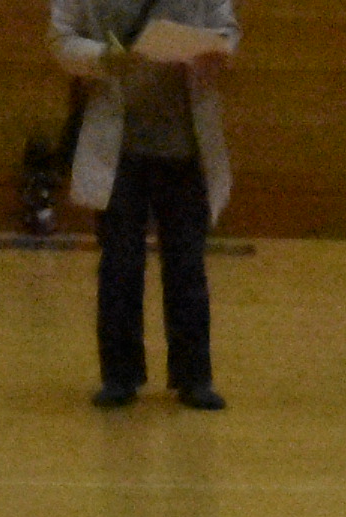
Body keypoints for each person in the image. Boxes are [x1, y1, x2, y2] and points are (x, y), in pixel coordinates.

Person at [52, 0, 234, 410]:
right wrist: (102, 57)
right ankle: (120, 376)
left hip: (186, 147)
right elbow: (61, 39)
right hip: (118, 149)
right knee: (120, 264)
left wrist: (215, 53)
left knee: (187, 265)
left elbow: (227, 29)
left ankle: (194, 378)